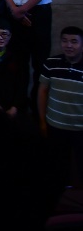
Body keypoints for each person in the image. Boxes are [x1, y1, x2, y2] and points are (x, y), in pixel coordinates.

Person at [39, 25, 83, 186]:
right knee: (57, 165)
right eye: (64, 41)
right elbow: (42, 92)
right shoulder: (51, 63)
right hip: (55, 125)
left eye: (74, 41)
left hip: (80, 128)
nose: (68, 45)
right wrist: (42, 121)